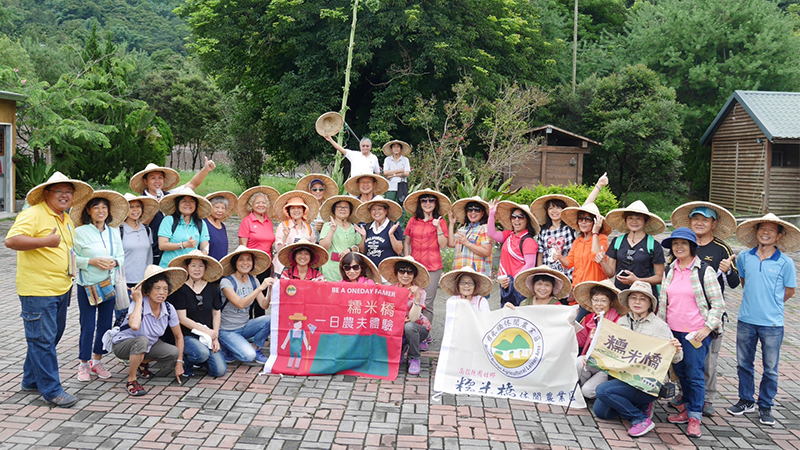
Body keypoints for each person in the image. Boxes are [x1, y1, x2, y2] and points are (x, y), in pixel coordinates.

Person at [5, 172, 93, 407]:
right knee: (42, 340)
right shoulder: (33, 214)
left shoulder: (65, 218)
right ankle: (52, 390)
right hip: (38, 290)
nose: (65, 196)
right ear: (47, 194)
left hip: (62, 287)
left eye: (68, 192)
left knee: (49, 337)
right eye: (59, 191)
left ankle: (31, 380)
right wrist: (44, 242)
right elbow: (11, 241)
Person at [668, 202, 738, 416]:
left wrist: (727, 270)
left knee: (706, 362)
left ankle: (706, 399)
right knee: (682, 362)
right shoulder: (678, 250)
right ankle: (686, 395)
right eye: (695, 219)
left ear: (713, 223)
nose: (699, 223)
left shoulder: (722, 248)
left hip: (706, 319)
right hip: (679, 317)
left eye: (705, 219)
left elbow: (734, 283)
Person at [727, 214, 798, 426]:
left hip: (772, 324)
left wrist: (772, 305)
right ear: (756, 232)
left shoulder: (786, 262)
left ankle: (765, 405)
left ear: (779, 235)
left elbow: (790, 290)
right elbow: (743, 282)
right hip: (746, 320)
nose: (765, 233)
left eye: (771, 230)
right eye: (762, 229)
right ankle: (745, 400)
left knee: (770, 368)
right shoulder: (744, 257)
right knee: (744, 364)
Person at [657, 227, 725, 438]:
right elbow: (664, 303)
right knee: (681, 372)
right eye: (675, 244)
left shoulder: (704, 270)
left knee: (695, 373)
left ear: (692, 247)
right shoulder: (670, 270)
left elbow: (718, 304)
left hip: (695, 334)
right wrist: (661, 329)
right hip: (672, 332)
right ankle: (686, 407)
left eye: (683, 243)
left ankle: (695, 415)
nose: (678, 247)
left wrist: (707, 328)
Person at [593, 280, 683, 437]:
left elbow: (677, 359)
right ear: (628, 301)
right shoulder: (622, 322)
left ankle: (640, 418)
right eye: (633, 297)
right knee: (601, 412)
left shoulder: (660, 326)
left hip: (648, 383)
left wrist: (676, 349)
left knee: (602, 391)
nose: (637, 302)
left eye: (643, 299)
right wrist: (597, 339)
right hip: (626, 377)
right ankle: (639, 405)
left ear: (650, 303)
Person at [71, 190, 127, 382]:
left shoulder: (114, 231)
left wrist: (115, 263)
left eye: (104, 207)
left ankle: (97, 361)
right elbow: (71, 258)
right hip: (87, 286)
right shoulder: (79, 232)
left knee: (104, 325)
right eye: (96, 207)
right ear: (89, 210)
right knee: (87, 326)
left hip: (108, 285)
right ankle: (83, 364)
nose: (100, 211)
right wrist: (90, 262)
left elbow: (120, 255)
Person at [111, 265, 187, 396]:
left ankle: (141, 363)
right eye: (157, 288)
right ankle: (131, 380)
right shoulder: (138, 304)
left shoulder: (169, 308)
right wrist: (139, 299)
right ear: (148, 290)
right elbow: (134, 326)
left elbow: (179, 337)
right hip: (123, 344)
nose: (161, 293)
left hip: (148, 344)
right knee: (142, 341)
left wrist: (179, 362)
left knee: (173, 352)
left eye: (165, 289)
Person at [129, 159, 216, 265]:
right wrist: (155, 206)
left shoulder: (170, 196)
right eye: (153, 178)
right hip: (151, 247)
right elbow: (140, 224)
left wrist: (206, 170)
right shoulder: (140, 202)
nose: (157, 181)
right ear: (145, 181)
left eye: (160, 178)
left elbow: (191, 185)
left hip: (172, 248)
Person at [167, 250, 227, 378]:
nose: (197, 269)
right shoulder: (181, 289)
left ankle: (201, 361)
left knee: (219, 371)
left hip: (207, 336)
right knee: (201, 353)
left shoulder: (211, 288)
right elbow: (182, 319)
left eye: (200, 266)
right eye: (193, 265)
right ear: (186, 268)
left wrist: (215, 336)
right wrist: (207, 331)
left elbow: (216, 312)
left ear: (205, 268)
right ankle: (187, 360)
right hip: (188, 335)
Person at [218, 246, 274, 364]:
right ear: (235, 263)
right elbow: (240, 304)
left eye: (249, 259)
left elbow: (264, 305)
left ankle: (256, 347)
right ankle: (226, 345)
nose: (245, 263)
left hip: (245, 326)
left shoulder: (254, 281)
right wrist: (260, 288)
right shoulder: (227, 282)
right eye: (241, 260)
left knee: (271, 319)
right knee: (248, 356)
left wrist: (270, 290)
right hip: (227, 330)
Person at [404, 189, 452, 323]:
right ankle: (411, 330)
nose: (427, 203)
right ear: (420, 203)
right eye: (424, 200)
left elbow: (443, 245)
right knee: (412, 297)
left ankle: (425, 332)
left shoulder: (440, 221)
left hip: (433, 267)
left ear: (436, 203)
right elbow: (407, 242)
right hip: (415, 267)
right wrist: (407, 260)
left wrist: (438, 228)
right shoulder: (413, 221)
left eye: (431, 200)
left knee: (428, 301)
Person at [601, 200, 666, 297]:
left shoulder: (653, 245)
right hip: (620, 294)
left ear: (645, 221)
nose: (634, 222)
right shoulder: (617, 242)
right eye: (630, 218)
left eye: (638, 218)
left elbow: (660, 277)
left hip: (644, 296)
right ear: (625, 220)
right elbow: (610, 274)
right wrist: (602, 261)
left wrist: (637, 280)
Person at [557, 202, 611, 319]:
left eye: (588, 219)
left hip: (594, 292)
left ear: (595, 222)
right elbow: (569, 263)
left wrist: (595, 232)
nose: (583, 222)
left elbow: (595, 257)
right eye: (580, 219)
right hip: (578, 291)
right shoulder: (578, 241)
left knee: (579, 324)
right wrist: (560, 257)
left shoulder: (602, 238)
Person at [378, 256, 431, 375]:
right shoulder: (390, 290)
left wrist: (417, 297)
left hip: (418, 327)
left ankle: (414, 358)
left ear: (414, 275)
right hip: (397, 327)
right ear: (396, 273)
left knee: (409, 327)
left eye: (410, 271)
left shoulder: (420, 291)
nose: (405, 275)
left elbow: (413, 318)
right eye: (402, 271)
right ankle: (399, 350)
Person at [573, 279, 625, 399]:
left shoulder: (619, 321)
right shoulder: (589, 318)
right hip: (590, 362)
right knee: (578, 361)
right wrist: (573, 329)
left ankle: (601, 388)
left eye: (603, 301)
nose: (598, 304)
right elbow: (580, 342)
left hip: (607, 367)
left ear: (611, 303)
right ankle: (582, 386)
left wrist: (600, 337)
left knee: (587, 392)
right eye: (595, 300)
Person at [237, 186, 280, 318]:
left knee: (262, 301)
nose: (261, 205)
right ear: (251, 205)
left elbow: (270, 246)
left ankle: (259, 330)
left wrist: (272, 267)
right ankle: (247, 329)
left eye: (263, 202)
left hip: (266, 267)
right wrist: (248, 269)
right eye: (257, 202)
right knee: (250, 298)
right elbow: (242, 248)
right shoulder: (247, 222)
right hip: (250, 267)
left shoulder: (269, 222)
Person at [487, 200, 539, 308]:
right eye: (513, 216)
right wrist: (492, 213)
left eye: (521, 217)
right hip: (506, 284)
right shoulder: (509, 235)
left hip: (520, 287)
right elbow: (492, 233)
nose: (516, 220)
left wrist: (513, 280)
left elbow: (530, 264)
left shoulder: (528, 241)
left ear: (527, 221)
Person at [157, 188, 212, 267]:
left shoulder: (201, 223)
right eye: (184, 201)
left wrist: (202, 257)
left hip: (190, 271)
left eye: (191, 201)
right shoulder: (169, 220)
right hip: (169, 268)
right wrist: (183, 245)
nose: (188, 204)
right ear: (177, 204)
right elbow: (162, 245)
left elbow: (205, 246)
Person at [531, 194, 579, 279]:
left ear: (563, 210)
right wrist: (539, 272)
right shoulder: (543, 231)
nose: (554, 211)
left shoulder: (569, 229)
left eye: (558, 208)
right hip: (548, 274)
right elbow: (540, 253)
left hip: (567, 274)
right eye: (551, 208)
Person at [273, 190, 320, 275]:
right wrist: (285, 236)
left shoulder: (308, 227)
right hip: (284, 267)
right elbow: (279, 250)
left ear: (304, 210)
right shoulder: (283, 226)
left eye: (299, 208)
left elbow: (313, 248)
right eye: (293, 208)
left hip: (302, 268)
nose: (296, 211)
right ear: (288, 211)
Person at [120, 193, 158, 295]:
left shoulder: (146, 230)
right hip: (125, 284)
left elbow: (149, 256)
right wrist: (119, 281)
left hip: (143, 282)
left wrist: (148, 278)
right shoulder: (119, 230)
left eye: (138, 206)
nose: (135, 210)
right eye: (131, 207)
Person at [318, 196, 364, 281]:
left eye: (346, 207)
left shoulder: (354, 227)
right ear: (334, 210)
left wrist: (350, 249)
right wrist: (332, 231)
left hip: (350, 270)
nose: (342, 209)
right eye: (339, 207)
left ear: (350, 210)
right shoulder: (328, 225)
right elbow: (323, 247)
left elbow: (361, 249)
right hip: (331, 269)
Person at [357, 197, 405, 275]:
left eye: (379, 209)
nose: (376, 212)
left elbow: (399, 250)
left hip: (388, 273)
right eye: (373, 209)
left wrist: (391, 235)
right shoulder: (368, 227)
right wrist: (363, 237)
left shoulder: (393, 226)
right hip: (371, 272)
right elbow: (362, 251)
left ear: (386, 211)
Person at [448, 196, 492, 278]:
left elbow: (487, 252)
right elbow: (451, 243)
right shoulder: (463, 229)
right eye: (470, 209)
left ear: (482, 213)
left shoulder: (484, 228)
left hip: (477, 274)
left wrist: (467, 243)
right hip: (460, 272)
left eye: (477, 210)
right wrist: (451, 224)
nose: (473, 212)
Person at [296, 174, 338, 242]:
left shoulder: (329, 207)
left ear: (324, 192)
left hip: (325, 241)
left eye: (321, 189)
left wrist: (325, 226)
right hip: (308, 241)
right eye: (314, 189)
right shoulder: (304, 208)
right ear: (310, 192)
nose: (318, 192)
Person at [204, 191, 237, 261]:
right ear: (209, 207)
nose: (220, 210)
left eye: (223, 208)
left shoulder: (222, 226)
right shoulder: (203, 223)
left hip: (221, 265)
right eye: (217, 207)